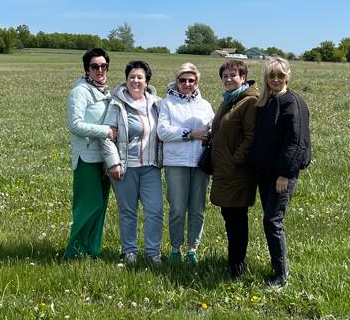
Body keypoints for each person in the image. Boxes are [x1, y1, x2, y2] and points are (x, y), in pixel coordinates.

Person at [252, 56, 311, 288]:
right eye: (271, 75)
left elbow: (297, 142)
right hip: (264, 172)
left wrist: (285, 173)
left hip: (281, 175)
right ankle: (277, 268)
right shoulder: (266, 102)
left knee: (273, 220)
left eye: (280, 75)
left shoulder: (292, 102)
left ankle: (281, 276)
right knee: (269, 220)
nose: (275, 79)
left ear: (287, 77)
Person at [102, 60, 163, 265]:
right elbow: (107, 137)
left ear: (147, 81)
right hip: (125, 167)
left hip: (151, 167)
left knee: (155, 211)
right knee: (128, 212)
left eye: (140, 77)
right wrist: (113, 163)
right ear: (126, 80)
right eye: (131, 77)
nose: (135, 81)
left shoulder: (156, 104)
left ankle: (153, 253)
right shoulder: (116, 104)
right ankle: (129, 251)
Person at [157, 61, 215, 264]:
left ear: (197, 82)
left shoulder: (205, 105)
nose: (187, 84)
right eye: (183, 80)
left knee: (197, 209)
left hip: (199, 163)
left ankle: (192, 248)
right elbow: (163, 131)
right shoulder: (167, 104)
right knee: (177, 208)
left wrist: (210, 132)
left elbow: (213, 127)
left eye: (192, 80)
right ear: (177, 82)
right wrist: (190, 134)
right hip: (176, 163)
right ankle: (175, 248)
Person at [208, 58, 260, 279]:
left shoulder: (249, 102)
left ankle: (237, 267)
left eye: (233, 75)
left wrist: (233, 161)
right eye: (225, 76)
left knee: (237, 218)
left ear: (243, 78)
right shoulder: (230, 99)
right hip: (225, 170)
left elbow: (251, 137)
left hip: (237, 172)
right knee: (229, 216)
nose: (228, 79)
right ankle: (235, 262)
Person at [63, 47, 114, 259]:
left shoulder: (106, 92)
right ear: (87, 70)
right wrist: (106, 131)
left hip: (105, 157)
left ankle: (92, 249)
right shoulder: (80, 92)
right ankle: (75, 252)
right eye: (95, 66)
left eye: (104, 66)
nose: (100, 70)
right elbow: (75, 125)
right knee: (88, 205)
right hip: (86, 157)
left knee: (101, 205)